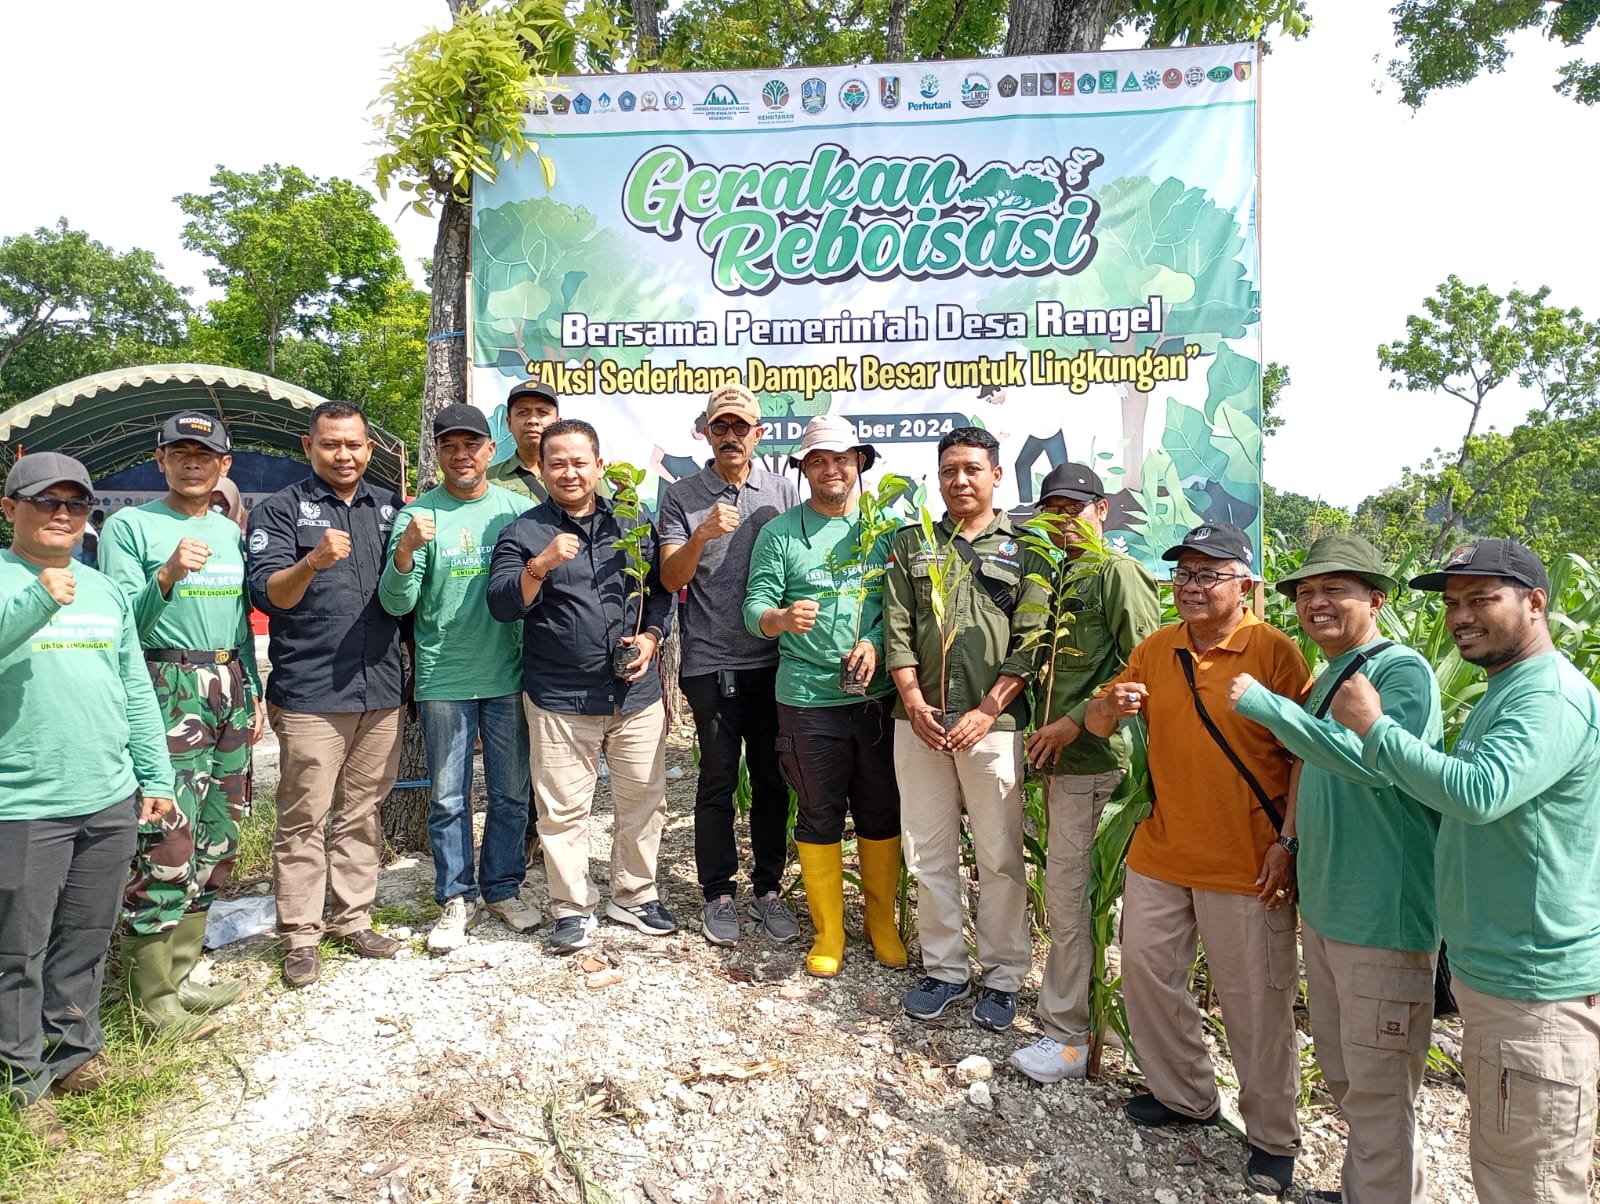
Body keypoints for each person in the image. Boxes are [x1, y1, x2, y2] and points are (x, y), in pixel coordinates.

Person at [1328, 539, 1600, 1204]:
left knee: (1526, 1182)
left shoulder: (1548, 697)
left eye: (1482, 598)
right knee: (1505, 1165)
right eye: (1453, 603)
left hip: (1532, 990)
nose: (1460, 616)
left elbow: (1478, 793)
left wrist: (1376, 729)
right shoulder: (1508, 689)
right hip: (1499, 978)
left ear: (1535, 603)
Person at [1085, 521, 1310, 1198]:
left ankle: (1273, 1138)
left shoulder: (1275, 653)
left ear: (1246, 584)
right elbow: (1099, 722)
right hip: (1161, 849)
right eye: (1184, 574)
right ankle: (1187, 1097)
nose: (1191, 586)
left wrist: (1288, 842)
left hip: (1246, 861)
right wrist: (1107, 705)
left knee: (1256, 1006)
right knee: (1149, 978)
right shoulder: (1157, 647)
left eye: (1209, 574)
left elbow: (1305, 757)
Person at [1224, 535, 1443, 1204]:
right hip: (1327, 908)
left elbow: (1373, 763)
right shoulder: (1332, 674)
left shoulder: (1398, 671)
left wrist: (1267, 705)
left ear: (1376, 599)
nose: (1315, 602)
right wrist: (1289, 844)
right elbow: (1312, 771)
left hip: (1382, 918)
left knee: (1379, 1090)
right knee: (1349, 1076)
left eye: (1333, 590)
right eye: (1305, 593)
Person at [0, 453, 174, 1147]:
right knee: (18, 950)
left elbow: (133, 686)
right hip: (23, 803)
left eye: (76, 503)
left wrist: (154, 775)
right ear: (10, 508)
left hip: (106, 797)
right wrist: (42, 595)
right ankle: (20, 1081)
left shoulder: (103, 591)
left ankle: (75, 1054)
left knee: (82, 939)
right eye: (47, 501)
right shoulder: (13, 580)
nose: (64, 513)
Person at [98, 412, 265, 1034]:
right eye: (181, 453)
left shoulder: (228, 531)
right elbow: (124, 629)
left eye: (206, 455)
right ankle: (151, 994)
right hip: (167, 683)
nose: (193, 463)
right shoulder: (128, 527)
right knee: (168, 836)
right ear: (160, 458)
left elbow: (239, 620)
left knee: (219, 834)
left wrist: (252, 686)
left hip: (230, 685)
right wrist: (165, 575)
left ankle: (186, 972)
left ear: (224, 466)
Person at [487, 418, 678, 954]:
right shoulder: (524, 530)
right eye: (557, 463)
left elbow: (660, 590)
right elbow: (502, 604)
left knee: (643, 801)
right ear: (541, 469)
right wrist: (540, 565)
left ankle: (634, 894)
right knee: (563, 811)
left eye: (579, 461)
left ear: (598, 465)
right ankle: (572, 907)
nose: (569, 472)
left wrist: (652, 638)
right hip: (559, 699)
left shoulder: (633, 521)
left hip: (635, 697)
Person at [883, 426, 1048, 1030]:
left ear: (996, 475)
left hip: (994, 726)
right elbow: (896, 627)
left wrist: (986, 710)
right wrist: (915, 701)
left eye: (972, 469)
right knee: (928, 851)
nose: (960, 480)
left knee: (999, 855)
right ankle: (945, 968)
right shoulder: (914, 544)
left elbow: (1031, 641)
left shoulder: (1027, 550)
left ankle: (1003, 977)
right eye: (949, 469)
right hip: (918, 723)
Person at [247, 402, 407, 988]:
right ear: (308, 446)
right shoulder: (280, 510)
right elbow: (271, 598)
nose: (344, 455)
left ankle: (351, 918)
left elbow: (407, 591)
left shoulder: (390, 507)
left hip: (381, 688)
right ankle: (300, 935)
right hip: (312, 691)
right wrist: (312, 561)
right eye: (331, 445)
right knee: (303, 817)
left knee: (361, 812)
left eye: (355, 445)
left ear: (369, 449)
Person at [1009, 463, 1160, 1082]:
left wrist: (1073, 720)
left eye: (1076, 508)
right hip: (1062, 765)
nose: (1064, 521)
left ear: (1102, 511)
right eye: (1052, 511)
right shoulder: (1056, 581)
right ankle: (1094, 1031)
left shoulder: (1116, 572)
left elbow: (1146, 665)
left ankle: (1070, 1036)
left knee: (1074, 900)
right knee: (1076, 897)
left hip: (1100, 764)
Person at [743, 414, 906, 977]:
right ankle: (829, 930)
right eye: (817, 460)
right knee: (818, 811)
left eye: (840, 458)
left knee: (882, 810)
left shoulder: (886, 530)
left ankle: (881, 924)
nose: (830, 469)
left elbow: (903, 610)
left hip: (878, 698)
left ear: (860, 461)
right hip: (807, 697)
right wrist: (781, 618)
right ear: (802, 468)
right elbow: (754, 606)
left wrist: (877, 642)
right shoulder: (781, 532)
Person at [380, 404, 537, 953]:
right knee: (448, 797)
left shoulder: (517, 511)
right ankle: (455, 897)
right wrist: (405, 552)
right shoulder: (416, 516)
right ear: (438, 453)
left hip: (509, 673)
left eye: (472, 444)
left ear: (490, 451)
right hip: (444, 674)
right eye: (450, 445)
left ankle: (503, 887)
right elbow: (395, 601)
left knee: (512, 792)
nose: (462, 453)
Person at [659, 384, 800, 948]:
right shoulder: (682, 495)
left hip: (775, 661)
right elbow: (671, 580)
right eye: (721, 426)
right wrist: (700, 534)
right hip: (709, 661)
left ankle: (768, 888)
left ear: (758, 434)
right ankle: (718, 892)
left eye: (741, 426)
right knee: (717, 779)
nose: (731, 436)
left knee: (772, 780)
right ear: (705, 432)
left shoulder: (783, 491)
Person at [487, 379, 560, 503]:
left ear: (558, 423)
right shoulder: (489, 480)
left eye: (542, 412)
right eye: (523, 412)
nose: (532, 420)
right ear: (509, 423)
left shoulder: (573, 478)